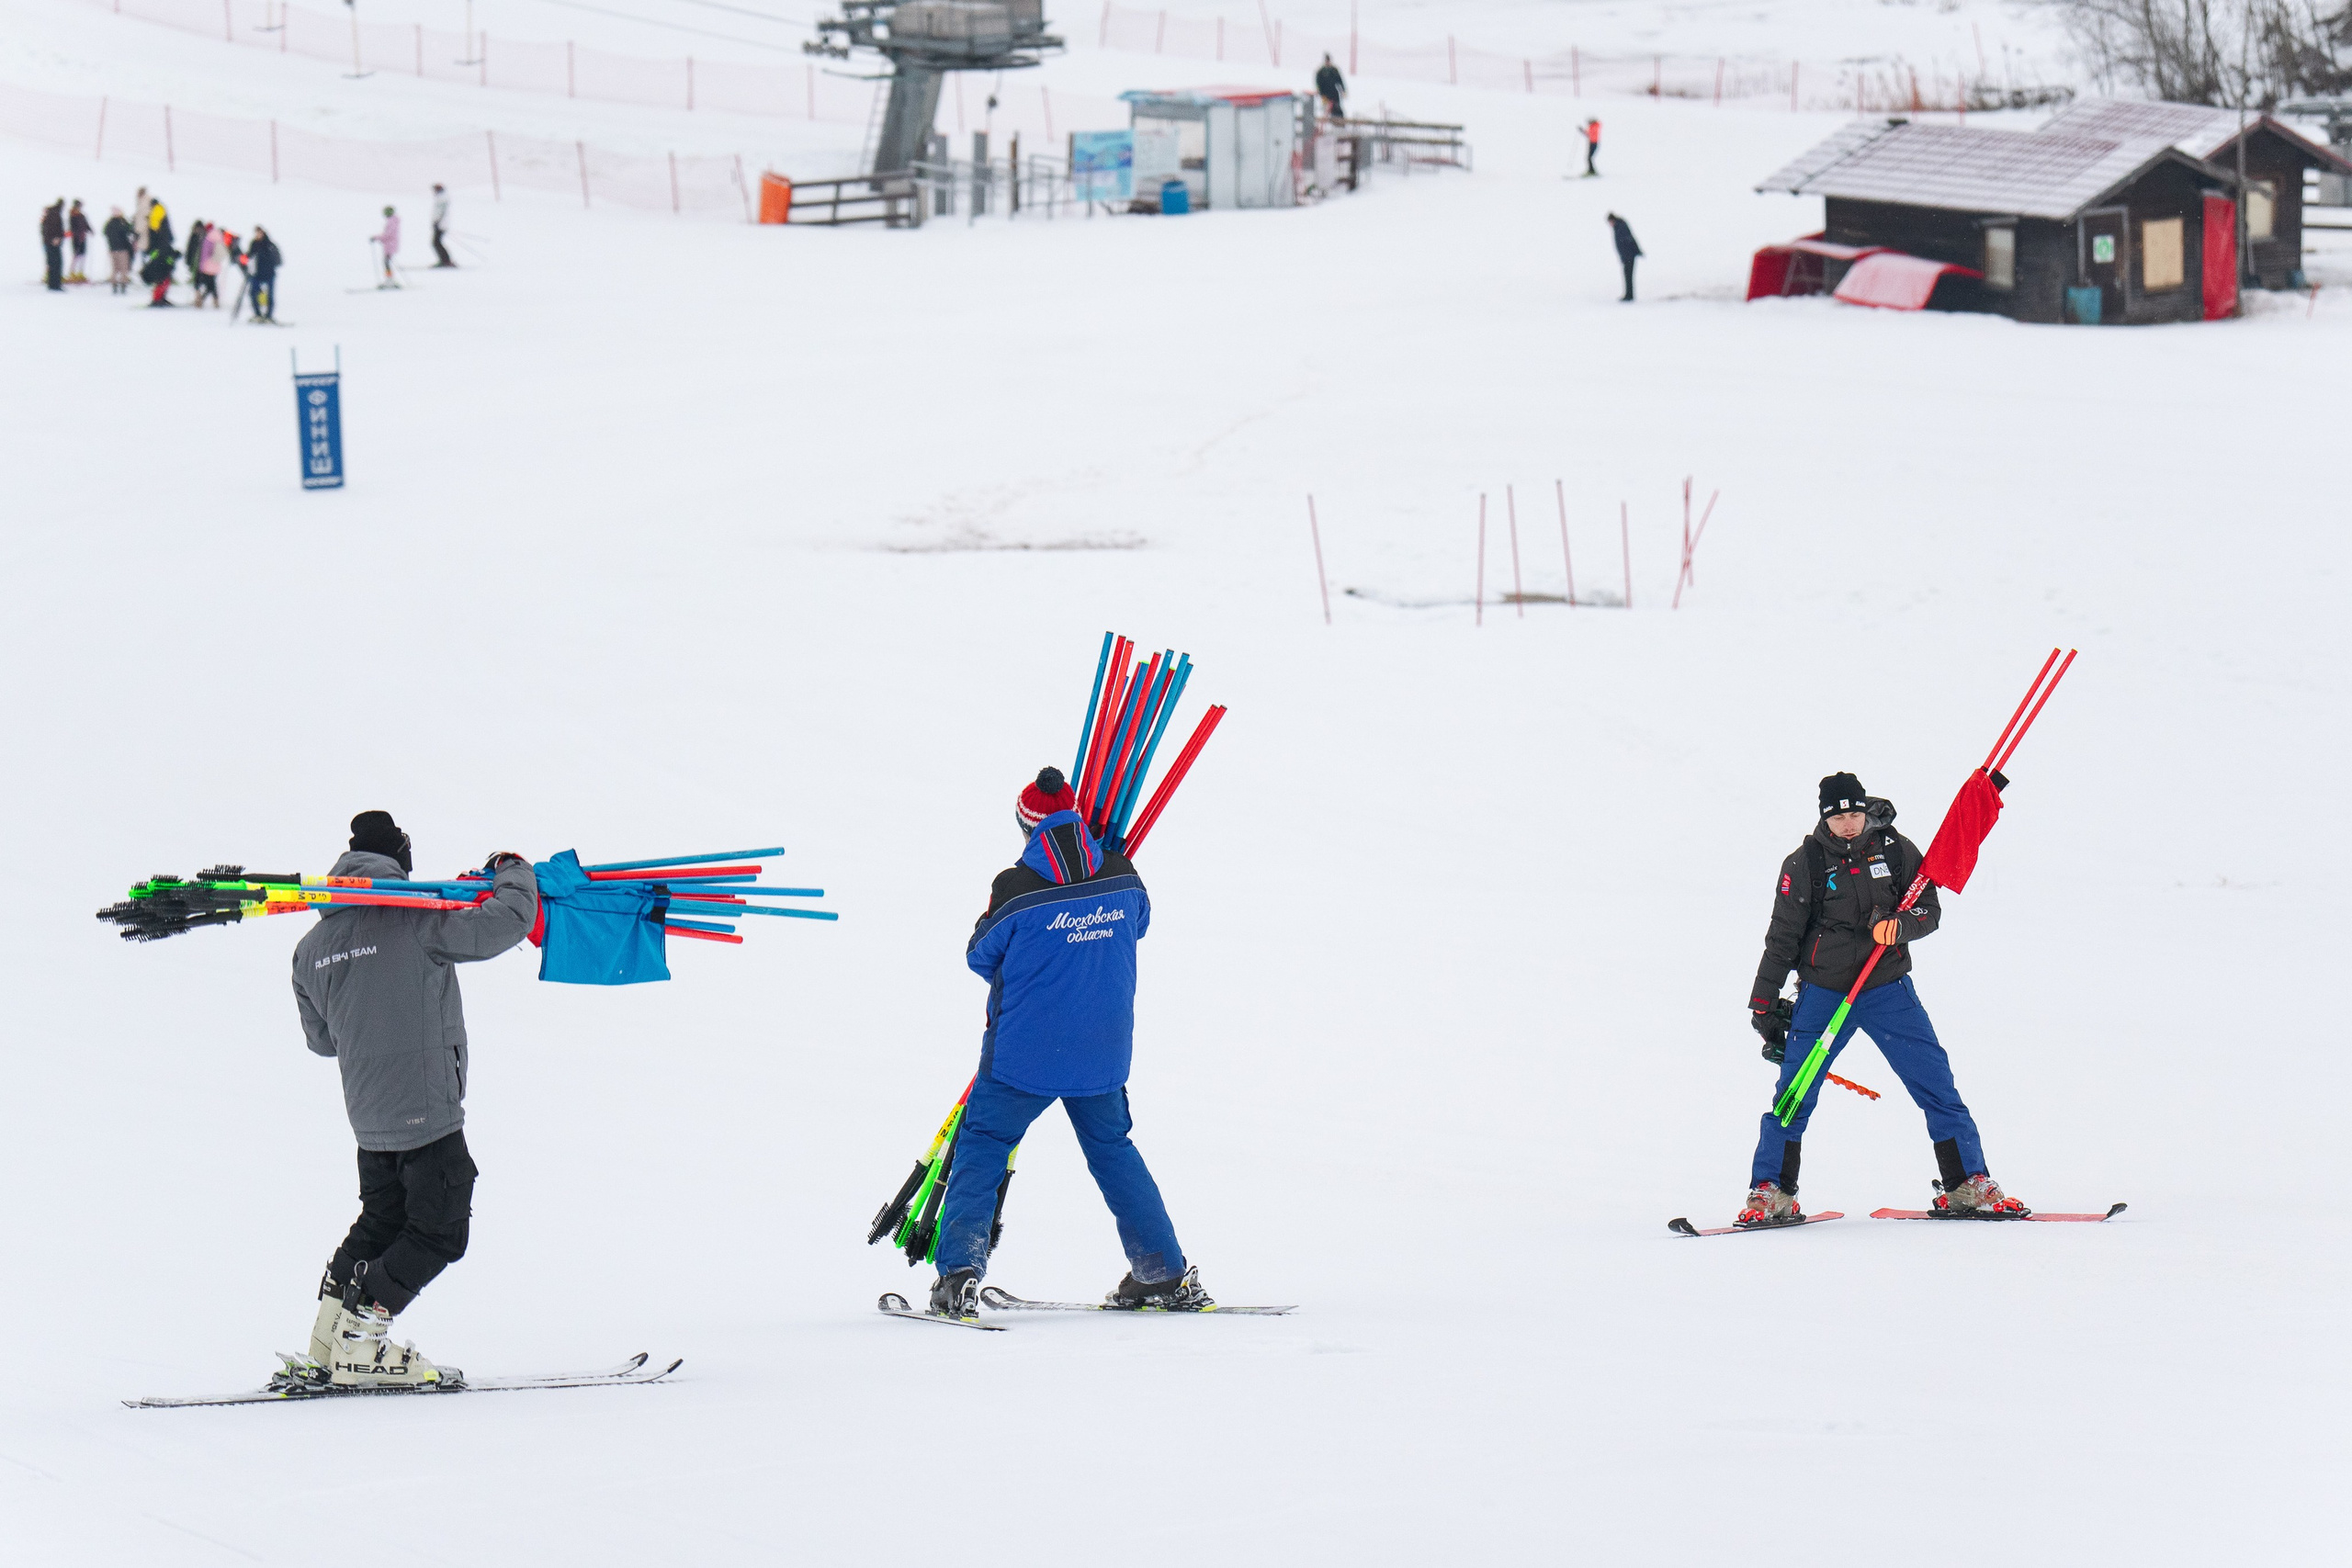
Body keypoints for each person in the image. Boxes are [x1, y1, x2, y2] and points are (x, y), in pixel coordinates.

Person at [922, 767, 1206, 1318]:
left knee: (983, 1143)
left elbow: (979, 954)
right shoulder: (1122, 872)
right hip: (1102, 1051)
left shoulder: (1014, 887)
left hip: (1022, 1056)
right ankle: (1164, 1271)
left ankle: (958, 1274)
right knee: (1112, 1150)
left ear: (1027, 828)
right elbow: (1140, 923)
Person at [290, 812, 538, 1387]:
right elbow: (510, 921)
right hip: (426, 1108)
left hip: (369, 1118)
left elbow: (322, 1042)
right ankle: (361, 1342)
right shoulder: (417, 918)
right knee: (440, 1228)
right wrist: (513, 868)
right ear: (400, 859)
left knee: (381, 1221)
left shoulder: (310, 949)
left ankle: (330, 1337)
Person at [1739, 773, 2027, 1228]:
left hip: (1887, 988)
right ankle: (1771, 1192)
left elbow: (1926, 909)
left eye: (1854, 814)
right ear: (1824, 818)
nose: (1849, 824)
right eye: (1839, 817)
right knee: (1794, 1093)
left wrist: (1900, 927)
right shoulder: (1805, 863)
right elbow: (1783, 937)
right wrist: (1762, 998)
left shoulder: (1894, 850)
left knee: (1935, 1083)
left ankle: (1967, 1184)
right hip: (1825, 994)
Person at [141, 198, 176, 307]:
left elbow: (154, 228)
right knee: (164, 275)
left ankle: (158, 298)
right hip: (164, 248)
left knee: (160, 274)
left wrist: (152, 248)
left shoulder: (157, 211)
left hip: (160, 249)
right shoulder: (160, 211)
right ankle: (160, 297)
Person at [246, 224, 281, 321]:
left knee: (270, 296)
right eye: (256, 233)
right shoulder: (254, 244)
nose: (258, 235)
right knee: (253, 293)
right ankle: (258, 314)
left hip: (269, 274)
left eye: (259, 232)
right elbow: (249, 256)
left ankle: (269, 315)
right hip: (257, 274)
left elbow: (278, 260)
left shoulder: (270, 245)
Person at [1607, 212, 1641, 301]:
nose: (1610, 225)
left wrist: (1634, 251)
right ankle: (1628, 294)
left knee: (1628, 276)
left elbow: (1629, 240)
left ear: (1612, 220)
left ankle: (1629, 295)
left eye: (1610, 222)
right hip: (1626, 256)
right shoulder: (1617, 227)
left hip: (1629, 256)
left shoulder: (1621, 226)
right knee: (1627, 276)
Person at [193, 220, 225, 308]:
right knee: (211, 283)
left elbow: (204, 254)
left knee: (208, 284)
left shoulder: (208, 239)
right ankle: (212, 300)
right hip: (216, 265)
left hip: (207, 266)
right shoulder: (219, 237)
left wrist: (201, 266)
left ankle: (201, 300)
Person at [103, 206, 134, 294]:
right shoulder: (123, 222)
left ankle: (114, 286)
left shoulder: (109, 223)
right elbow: (129, 231)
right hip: (123, 249)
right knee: (124, 268)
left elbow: (105, 232)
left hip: (112, 249)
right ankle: (123, 285)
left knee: (114, 268)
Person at [40, 198, 65, 291]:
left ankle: (51, 284)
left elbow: (44, 231)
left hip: (48, 243)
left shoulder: (49, 215)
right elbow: (55, 229)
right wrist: (57, 238)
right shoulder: (55, 214)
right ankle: (55, 285)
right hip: (53, 244)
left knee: (51, 263)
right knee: (57, 263)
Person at [1315, 54, 1346, 120]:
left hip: (1334, 94)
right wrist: (1318, 91)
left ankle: (1338, 123)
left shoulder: (1334, 70)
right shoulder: (1321, 71)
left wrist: (1343, 91)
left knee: (1337, 109)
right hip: (1325, 94)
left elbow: (1340, 81)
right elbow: (1318, 83)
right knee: (1326, 110)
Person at [430, 183, 455, 267]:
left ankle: (445, 261)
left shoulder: (442, 199)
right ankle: (445, 260)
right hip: (441, 224)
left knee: (436, 242)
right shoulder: (441, 198)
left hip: (441, 224)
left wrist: (437, 222)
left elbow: (440, 212)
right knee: (437, 242)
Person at [376, 204, 401, 284]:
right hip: (390, 244)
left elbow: (388, 235)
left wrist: (377, 238)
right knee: (386, 262)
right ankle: (389, 279)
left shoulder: (391, 222)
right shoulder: (392, 221)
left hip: (390, 245)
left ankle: (390, 279)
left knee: (386, 262)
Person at [67, 199, 91, 283]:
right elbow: (72, 227)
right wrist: (77, 234)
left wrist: (90, 230)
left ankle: (80, 272)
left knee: (83, 254)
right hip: (76, 238)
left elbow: (86, 224)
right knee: (76, 254)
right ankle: (72, 272)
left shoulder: (82, 215)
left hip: (83, 237)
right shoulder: (72, 215)